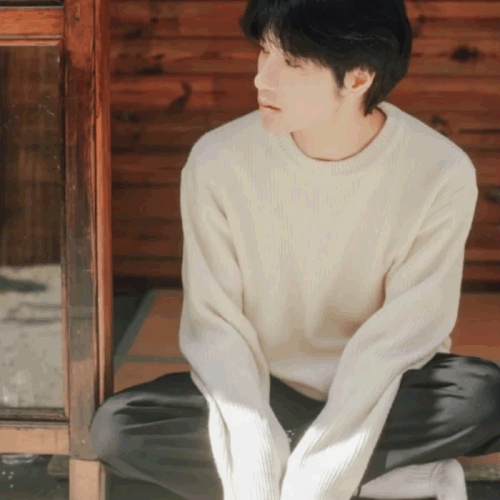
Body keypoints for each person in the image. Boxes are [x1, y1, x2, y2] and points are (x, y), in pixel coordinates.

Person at [88, 1, 500, 499]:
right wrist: (253, 445)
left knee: (483, 398)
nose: (262, 79)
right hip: (265, 387)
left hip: (386, 386)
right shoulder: (217, 161)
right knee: (118, 429)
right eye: (264, 52)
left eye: (292, 63)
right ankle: (387, 478)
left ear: (358, 78)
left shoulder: (439, 171)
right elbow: (216, 327)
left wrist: (324, 466)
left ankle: (318, 465)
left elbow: (403, 335)